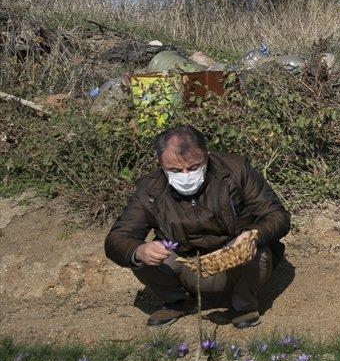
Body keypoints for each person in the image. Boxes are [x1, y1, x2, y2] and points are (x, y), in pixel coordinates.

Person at [104, 125, 291, 329]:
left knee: (256, 252)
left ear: (206, 155)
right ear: (160, 162)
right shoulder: (149, 189)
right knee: (140, 256)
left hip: (233, 262)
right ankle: (178, 301)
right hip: (185, 265)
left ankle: (243, 305)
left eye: (193, 167)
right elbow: (117, 238)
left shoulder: (236, 170)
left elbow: (277, 215)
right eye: (175, 170)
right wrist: (139, 250)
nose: (185, 176)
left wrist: (253, 235)